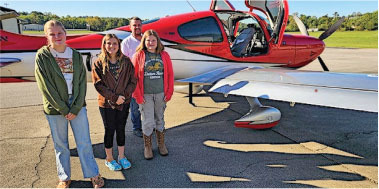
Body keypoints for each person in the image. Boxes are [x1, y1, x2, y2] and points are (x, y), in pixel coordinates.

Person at [34, 20, 104, 188]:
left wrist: (76, 107)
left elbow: (81, 83)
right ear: (47, 36)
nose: (56, 36)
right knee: (61, 144)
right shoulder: (42, 56)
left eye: (59, 33)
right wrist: (64, 109)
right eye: (52, 34)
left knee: (84, 141)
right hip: (55, 106)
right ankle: (64, 177)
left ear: (65, 34)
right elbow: (45, 86)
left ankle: (93, 174)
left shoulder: (75, 55)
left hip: (77, 103)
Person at [92, 34, 137, 171]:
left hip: (123, 101)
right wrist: (114, 97)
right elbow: (98, 84)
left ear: (119, 45)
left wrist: (124, 95)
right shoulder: (98, 62)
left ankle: (121, 156)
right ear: (104, 45)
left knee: (121, 128)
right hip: (106, 103)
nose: (112, 46)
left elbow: (133, 81)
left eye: (114, 43)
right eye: (108, 43)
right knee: (109, 129)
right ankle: (109, 158)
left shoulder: (126, 61)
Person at [132, 29, 174, 160]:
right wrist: (138, 96)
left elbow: (170, 74)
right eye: (148, 40)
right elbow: (133, 78)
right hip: (146, 95)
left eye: (153, 40)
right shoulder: (138, 55)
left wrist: (169, 92)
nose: (151, 43)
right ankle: (148, 146)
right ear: (144, 41)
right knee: (148, 121)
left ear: (157, 42)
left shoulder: (164, 55)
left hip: (161, 93)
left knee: (159, 119)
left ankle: (161, 144)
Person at [121, 17, 143, 138]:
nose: (137, 27)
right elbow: (124, 62)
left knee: (149, 104)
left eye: (139, 25)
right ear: (130, 27)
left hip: (147, 78)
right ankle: (136, 127)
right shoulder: (126, 42)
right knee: (135, 107)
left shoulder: (146, 39)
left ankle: (150, 125)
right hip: (134, 79)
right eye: (134, 25)